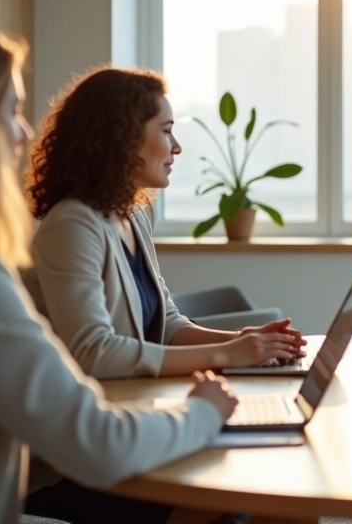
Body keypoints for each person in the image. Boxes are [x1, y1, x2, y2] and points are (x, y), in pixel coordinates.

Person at [0, 22, 238, 523]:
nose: (24, 133)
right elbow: (97, 442)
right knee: (223, 499)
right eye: (10, 111)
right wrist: (204, 411)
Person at [23, 67, 305, 380]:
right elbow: (93, 353)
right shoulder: (71, 226)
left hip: (134, 398)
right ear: (124, 137)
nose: (176, 146)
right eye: (166, 129)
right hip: (93, 413)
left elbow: (166, 324)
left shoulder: (134, 214)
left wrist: (240, 340)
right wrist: (226, 354)